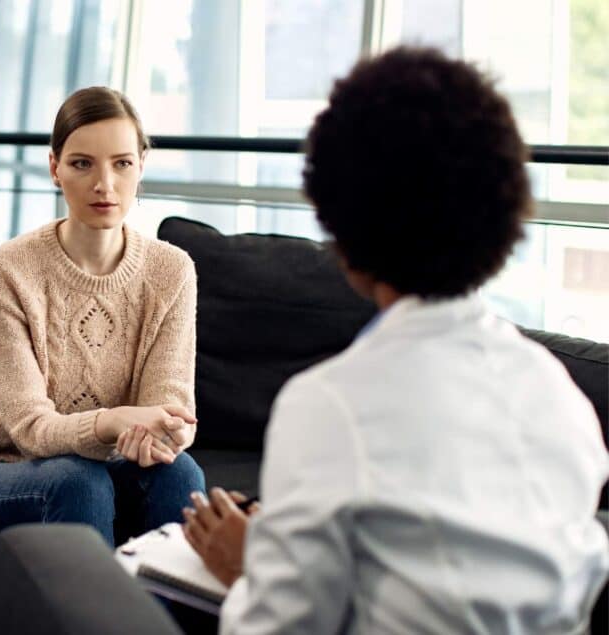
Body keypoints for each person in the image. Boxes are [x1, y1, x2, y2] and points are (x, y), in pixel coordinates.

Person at [182, 47, 609, 633]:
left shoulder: (331, 403)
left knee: (53, 566)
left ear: (342, 228)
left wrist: (247, 571)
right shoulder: (562, 401)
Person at [0, 86, 206, 546]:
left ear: (141, 166)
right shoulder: (6, 271)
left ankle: (168, 618)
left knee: (178, 472)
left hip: (101, 468)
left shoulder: (172, 270)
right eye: (82, 164)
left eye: (122, 163)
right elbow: (31, 429)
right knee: (77, 480)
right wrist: (114, 422)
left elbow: (170, 406)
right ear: (55, 167)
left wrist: (167, 434)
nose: (105, 185)